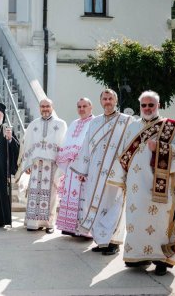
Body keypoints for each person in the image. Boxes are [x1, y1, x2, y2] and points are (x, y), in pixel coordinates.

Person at [107, 91, 175, 276]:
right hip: (136, 185)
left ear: (158, 106)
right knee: (137, 220)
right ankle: (139, 255)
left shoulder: (171, 127)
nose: (147, 108)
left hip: (163, 187)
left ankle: (162, 260)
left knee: (161, 222)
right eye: (143, 105)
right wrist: (119, 179)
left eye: (151, 105)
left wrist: (161, 148)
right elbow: (123, 154)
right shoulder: (132, 127)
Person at [70, 89, 133, 255]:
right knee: (95, 205)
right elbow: (86, 147)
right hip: (95, 172)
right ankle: (101, 241)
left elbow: (131, 147)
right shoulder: (95, 122)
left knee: (114, 205)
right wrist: (82, 170)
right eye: (104, 99)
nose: (107, 101)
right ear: (100, 101)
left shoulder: (126, 121)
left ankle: (113, 242)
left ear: (116, 100)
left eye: (110, 98)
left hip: (116, 174)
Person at [21, 99, 67, 233]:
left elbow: (64, 145)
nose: (45, 109)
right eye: (42, 106)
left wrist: (61, 166)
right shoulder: (33, 124)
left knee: (51, 194)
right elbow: (27, 144)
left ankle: (49, 224)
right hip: (36, 165)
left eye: (47, 106)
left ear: (52, 107)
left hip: (52, 165)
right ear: (39, 108)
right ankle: (33, 222)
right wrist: (27, 164)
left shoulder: (61, 124)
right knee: (34, 193)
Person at [55, 98, 94, 236]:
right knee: (71, 197)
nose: (81, 109)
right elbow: (67, 141)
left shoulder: (94, 122)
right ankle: (70, 227)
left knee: (84, 198)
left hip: (85, 167)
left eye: (84, 106)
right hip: (71, 167)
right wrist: (66, 156)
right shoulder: (74, 123)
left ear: (91, 107)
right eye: (79, 106)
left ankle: (83, 231)